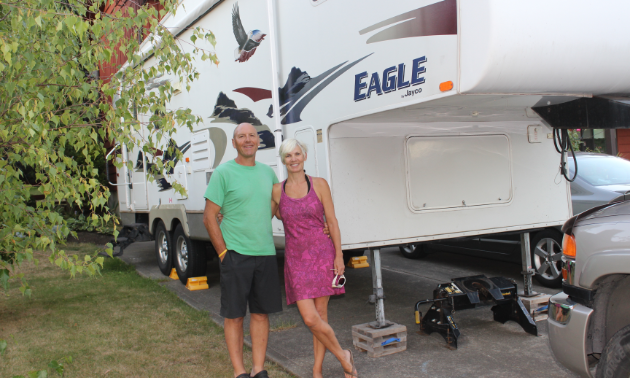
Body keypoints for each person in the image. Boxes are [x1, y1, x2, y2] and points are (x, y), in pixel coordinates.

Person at [272, 138, 358, 378]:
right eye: (288, 156)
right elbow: (263, 215)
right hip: (296, 260)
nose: (294, 159)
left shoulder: (319, 185)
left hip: (322, 255)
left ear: (305, 156)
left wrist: (339, 256)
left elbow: (332, 221)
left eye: (297, 154)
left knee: (321, 316)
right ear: (283, 160)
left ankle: (317, 371)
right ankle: (344, 356)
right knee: (310, 319)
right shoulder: (277, 190)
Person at [203, 123, 282, 378]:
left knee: (260, 314)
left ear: (259, 141)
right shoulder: (223, 173)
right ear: (234, 143)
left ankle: (259, 369)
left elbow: (277, 206)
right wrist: (223, 253)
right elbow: (209, 217)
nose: (247, 140)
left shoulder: (267, 173)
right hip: (235, 254)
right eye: (241, 137)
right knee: (235, 316)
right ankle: (239, 372)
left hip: (265, 254)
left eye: (252, 136)